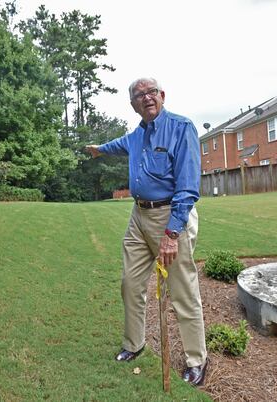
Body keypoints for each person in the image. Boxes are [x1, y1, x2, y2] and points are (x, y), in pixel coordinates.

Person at [85, 77, 208, 386]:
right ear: (133, 105)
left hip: (169, 218)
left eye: (151, 92)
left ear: (162, 95)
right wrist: (99, 149)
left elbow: (189, 185)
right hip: (138, 217)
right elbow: (117, 145)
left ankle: (197, 360)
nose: (146, 98)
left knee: (182, 291)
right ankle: (134, 343)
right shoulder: (136, 135)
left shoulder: (181, 128)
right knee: (130, 284)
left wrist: (171, 234)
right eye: (139, 95)